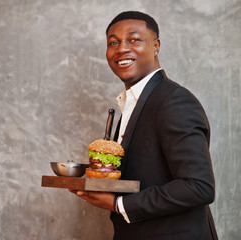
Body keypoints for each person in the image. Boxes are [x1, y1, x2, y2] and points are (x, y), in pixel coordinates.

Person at [70, 11, 218, 239]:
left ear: (156, 46)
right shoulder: (133, 103)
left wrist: (119, 204)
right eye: (113, 42)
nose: (121, 49)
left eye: (134, 39)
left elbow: (198, 186)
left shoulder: (173, 100)